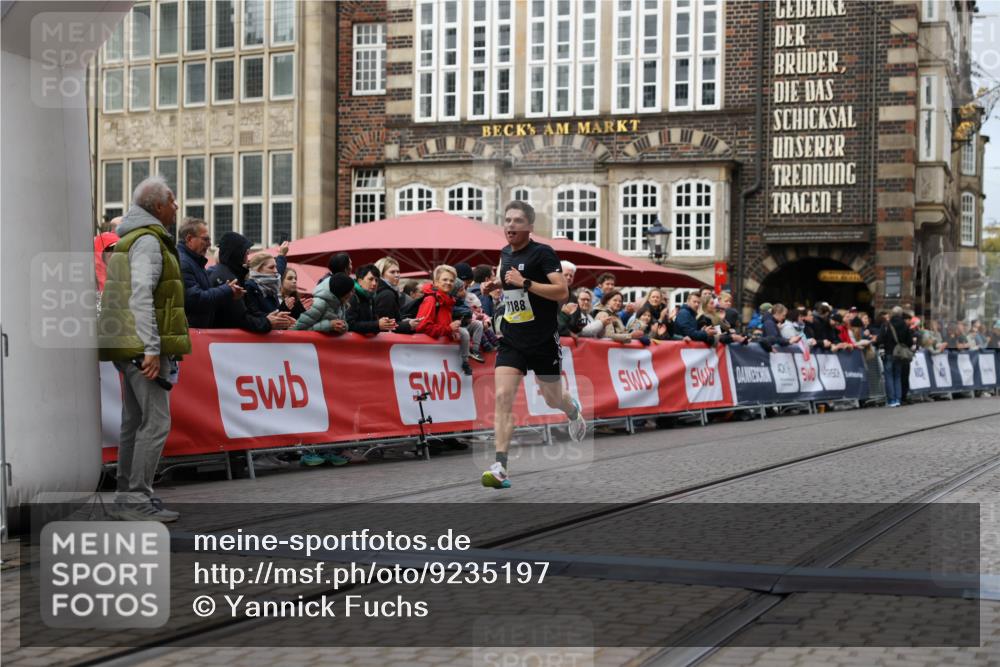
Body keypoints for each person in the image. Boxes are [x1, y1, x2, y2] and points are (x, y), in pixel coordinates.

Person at [97, 175, 190, 522]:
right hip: (142, 347)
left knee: (134, 421)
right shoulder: (149, 242)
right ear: (158, 205)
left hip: (126, 344)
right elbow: (141, 295)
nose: (176, 206)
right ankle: (135, 499)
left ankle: (128, 497)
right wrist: (152, 348)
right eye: (172, 199)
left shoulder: (129, 239)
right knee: (156, 423)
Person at [478, 201, 586, 489]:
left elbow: (562, 291)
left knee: (552, 398)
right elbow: (507, 281)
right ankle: (500, 466)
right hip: (513, 337)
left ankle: (572, 409)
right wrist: (494, 286)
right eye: (507, 220)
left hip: (542, 340)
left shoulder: (543, 253)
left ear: (529, 227)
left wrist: (526, 283)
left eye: (517, 221)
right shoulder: (504, 254)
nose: (510, 225)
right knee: (502, 396)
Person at [209, 233, 295, 332]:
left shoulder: (234, 275)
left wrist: (274, 317)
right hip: (226, 341)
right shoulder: (232, 279)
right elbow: (241, 318)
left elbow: (251, 314)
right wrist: (268, 322)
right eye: (245, 251)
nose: (275, 272)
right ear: (237, 253)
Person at [177, 218, 244, 328]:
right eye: (205, 239)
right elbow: (195, 299)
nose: (209, 244)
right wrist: (226, 290)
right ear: (189, 239)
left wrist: (227, 293)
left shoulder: (195, 261)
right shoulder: (184, 263)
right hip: (192, 335)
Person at [414, 265, 473, 375]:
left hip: (440, 360)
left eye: (451, 280)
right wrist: (448, 329)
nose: (448, 283)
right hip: (430, 358)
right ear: (436, 282)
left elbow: (442, 325)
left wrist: (451, 332)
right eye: (445, 279)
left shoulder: (448, 301)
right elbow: (422, 327)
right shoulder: (431, 300)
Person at [877, 306, 914, 407]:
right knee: (898, 376)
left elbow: (880, 339)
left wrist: (882, 348)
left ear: (892, 314)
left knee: (889, 376)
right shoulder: (905, 325)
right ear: (901, 314)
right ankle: (898, 399)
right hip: (899, 354)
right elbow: (910, 342)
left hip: (889, 352)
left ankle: (892, 400)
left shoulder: (886, 324)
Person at [373, 256, 418, 334]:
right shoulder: (387, 294)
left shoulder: (385, 291)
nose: (397, 275)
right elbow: (387, 326)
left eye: (398, 272)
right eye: (392, 272)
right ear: (381, 274)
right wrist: (408, 324)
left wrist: (404, 321)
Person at [347, 264, 397, 334]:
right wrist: (377, 324)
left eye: (376, 280)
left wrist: (383, 323)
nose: (374, 283)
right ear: (360, 281)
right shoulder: (352, 296)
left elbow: (371, 324)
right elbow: (350, 325)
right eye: (370, 279)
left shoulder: (370, 297)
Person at [245, 249, 289, 318]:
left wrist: (285, 309)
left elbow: (274, 311)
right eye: (271, 267)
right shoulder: (249, 287)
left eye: (275, 267)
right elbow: (253, 315)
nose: (276, 271)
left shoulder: (272, 284)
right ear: (258, 269)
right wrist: (276, 316)